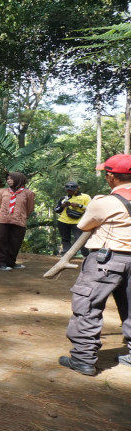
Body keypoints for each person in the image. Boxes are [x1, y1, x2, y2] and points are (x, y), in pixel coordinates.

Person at [59, 154, 131, 376]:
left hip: (107, 261)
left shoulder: (104, 202)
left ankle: (83, 358)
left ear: (111, 176)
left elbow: (84, 224)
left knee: (87, 306)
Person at [0, 172, 35, 271]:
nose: (8, 180)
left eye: (11, 179)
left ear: (18, 180)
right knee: (1, 241)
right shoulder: (2, 192)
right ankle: (0, 263)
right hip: (3, 220)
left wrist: (22, 215)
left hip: (19, 220)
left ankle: (10, 262)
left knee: (15, 242)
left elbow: (29, 208)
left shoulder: (28, 193)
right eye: (7, 179)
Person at [54, 181, 91, 258]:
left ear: (77, 188)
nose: (70, 192)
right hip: (63, 221)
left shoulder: (85, 197)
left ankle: (86, 256)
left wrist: (79, 205)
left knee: (80, 240)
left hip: (77, 222)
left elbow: (91, 208)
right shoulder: (64, 198)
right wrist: (62, 205)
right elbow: (57, 210)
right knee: (65, 239)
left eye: (72, 190)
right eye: (68, 191)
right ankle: (66, 255)